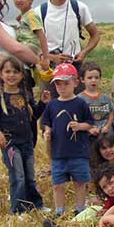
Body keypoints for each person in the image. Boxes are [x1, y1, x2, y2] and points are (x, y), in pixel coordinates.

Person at [0, 56, 50, 215]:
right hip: (10, 144)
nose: (11, 75)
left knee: (30, 176)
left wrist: (43, 103)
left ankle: (36, 204)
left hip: (27, 142)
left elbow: (33, 116)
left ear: (21, 75)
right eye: (7, 71)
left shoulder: (25, 95)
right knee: (18, 176)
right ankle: (17, 210)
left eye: (15, 72)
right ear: (1, 74)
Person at [41, 63, 94, 216]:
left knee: (80, 182)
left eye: (66, 83)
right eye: (58, 84)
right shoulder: (52, 105)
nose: (62, 87)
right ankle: (60, 211)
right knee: (57, 184)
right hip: (58, 153)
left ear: (75, 83)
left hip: (78, 152)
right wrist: (47, 132)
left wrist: (79, 126)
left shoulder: (80, 103)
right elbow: (46, 123)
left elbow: (90, 123)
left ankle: (80, 210)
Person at [35, 0, 100, 75]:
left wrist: (84, 52)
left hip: (74, 66)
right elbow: (32, 45)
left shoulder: (79, 7)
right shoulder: (39, 12)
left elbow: (95, 35)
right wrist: (52, 57)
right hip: (50, 68)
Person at [12, 0, 50, 70]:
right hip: (26, 45)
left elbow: (41, 36)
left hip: (31, 46)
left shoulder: (31, 15)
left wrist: (46, 57)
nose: (18, 0)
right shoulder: (25, 15)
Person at [78, 62, 114, 136]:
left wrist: (107, 126)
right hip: (89, 136)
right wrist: (89, 129)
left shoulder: (105, 98)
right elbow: (78, 118)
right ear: (82, 79)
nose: (93, 80)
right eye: (90, 78)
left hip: (105, 135)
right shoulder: (79, 99)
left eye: (96, 78)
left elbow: (111, 113)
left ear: (100, 79)